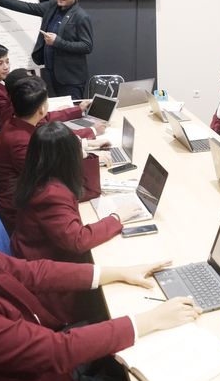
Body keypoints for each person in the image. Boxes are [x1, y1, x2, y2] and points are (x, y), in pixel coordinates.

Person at [0, 171, 199, 381]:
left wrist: (117, 272)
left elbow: (33, 272)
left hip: (32, 349)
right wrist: (150, 320)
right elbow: (57, 352)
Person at [11, 122, 137, 322]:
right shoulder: (51, 194)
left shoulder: (40, 176)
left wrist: (85, 157)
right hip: (55, 290)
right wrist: (116, 218)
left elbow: (87, 192)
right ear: (66, 157)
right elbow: (78, 240)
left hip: (45, 261)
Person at [0, 76, 107, 230]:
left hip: (23, 193)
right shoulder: (20, 141)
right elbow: (49, 176)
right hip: (21, 210)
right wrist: (83, 156)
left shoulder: (17, 122)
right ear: (41, 108)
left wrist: (85, 144)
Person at [0, 0, 93, 99]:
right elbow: (28, 7)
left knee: (72, 110)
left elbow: (87, 46)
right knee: (52, 109)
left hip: (70, 79)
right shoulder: (52, 6)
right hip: (49, 74)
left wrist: (57, 42)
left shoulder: (81, 16)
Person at [0, 43, 94, 154]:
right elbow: (38, 126)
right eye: (0, 63)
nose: (6, 67)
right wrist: (89, 132)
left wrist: (77, 110)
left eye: (7, 61)